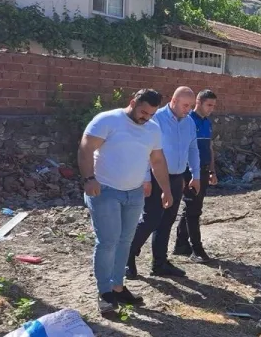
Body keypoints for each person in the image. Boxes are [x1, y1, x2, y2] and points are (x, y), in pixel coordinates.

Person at [77, 89, 174, 315]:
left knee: (125, 241)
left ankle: (118, 287)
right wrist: (89, 178)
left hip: (134, 193)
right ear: (132, 103)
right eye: (143, 112)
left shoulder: (152, 129)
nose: (145, 118)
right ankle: (104, 293)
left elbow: (157, 161)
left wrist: (166, 189)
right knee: (108, 241)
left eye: (151, 114)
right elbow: (86, 147)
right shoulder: (108, 120)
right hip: (105, 191)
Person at [127, 86, 201, 279]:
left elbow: (193, 148)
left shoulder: (189, 122)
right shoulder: (156, 119)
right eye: (185, 105)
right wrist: (145, 178)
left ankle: (159, 264)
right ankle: (127, 257)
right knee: (150, 219)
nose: (188, 109)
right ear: (174, 101)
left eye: (191, 106)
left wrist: (196, 175)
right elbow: (144, 150)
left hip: (177, 178)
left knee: (167, 221)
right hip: (155, 177)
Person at [173, 89, 218, 263]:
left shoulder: (207, 122)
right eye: (209, 105)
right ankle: (196, 249)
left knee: (192, 207)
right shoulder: (187, 121)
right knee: (194, 210)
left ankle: (181, 244)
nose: (211, 109)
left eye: (213, 106)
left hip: (204, 170)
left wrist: (212, 170)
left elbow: (210, 148)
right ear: (198, 102)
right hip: (191, 171)